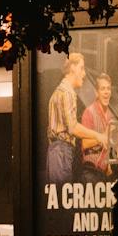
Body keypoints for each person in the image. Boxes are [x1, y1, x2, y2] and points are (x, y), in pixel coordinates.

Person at [45, 53, 86, 185]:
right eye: (82, 68)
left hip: (56, 152)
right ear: (72, 68)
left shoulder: (59, 91)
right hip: (61, 151)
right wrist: (98, 136)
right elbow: (73, 128)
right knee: (62, 196)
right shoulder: (67, 93)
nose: (84, 74)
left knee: (58, 197)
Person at [77, 72, 118, 176]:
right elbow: (85, 144)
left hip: (105, 172)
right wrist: (103, 137)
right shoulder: (89, 112)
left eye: (108, 89)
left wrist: (108, 166)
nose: (106, 92)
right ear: (96, 92)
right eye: (103, 89)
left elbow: (109, 146)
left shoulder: (111, 116)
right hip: (91, 171)